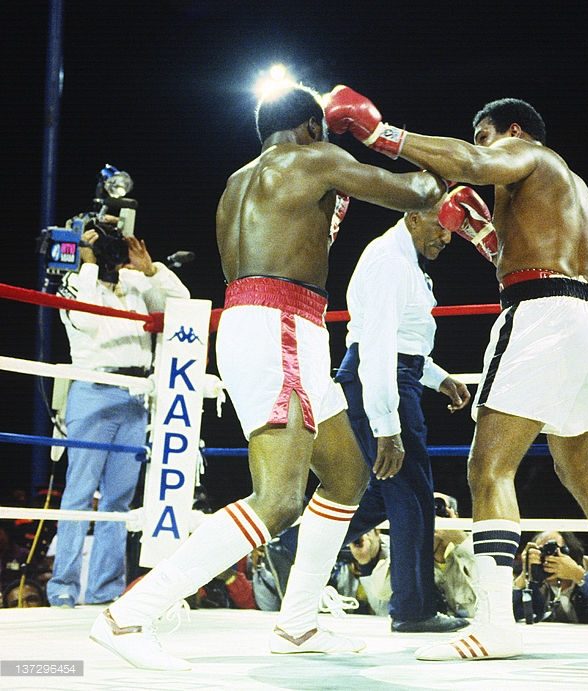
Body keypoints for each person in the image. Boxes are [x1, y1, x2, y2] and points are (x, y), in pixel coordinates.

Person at [89, 83, 446, 671]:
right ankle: (129, 616)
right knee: (277, 500)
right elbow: (420, 191)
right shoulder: (317, 158)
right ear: (312, 128)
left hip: (266, 323)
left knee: (346, 474)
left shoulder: (237, 182)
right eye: (328, 134)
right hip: (282, 328)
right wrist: (381, 136)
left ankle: (299, 623)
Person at [323, 88, 588, 660]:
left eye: (483, 137)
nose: (480, 154)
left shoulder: (528, 155)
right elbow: (529, 254)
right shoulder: (568, 187)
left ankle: (495, 624)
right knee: (579, 468)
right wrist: (487, 235)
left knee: (488, 467)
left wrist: (381, 135)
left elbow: (471, 164)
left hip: (541, 315)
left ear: (511, 132)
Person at [334, 196, 473, 633]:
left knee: (382, 491)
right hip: (382, 380)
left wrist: (437, 377)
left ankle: (297, 544)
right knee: (411, 491)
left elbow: (404, 341)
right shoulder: (389, 261)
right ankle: (413, 611)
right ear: (413, 217)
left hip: (397, 375)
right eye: (440, 226)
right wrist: (386, 427)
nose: (446, 237)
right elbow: (375, 346)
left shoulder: (405, 261)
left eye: (452, 229)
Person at [49, 223, 189, 609]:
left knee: (118, 501)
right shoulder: (73, 284)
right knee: (79, 494)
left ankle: (104, 591)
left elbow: (182, 302)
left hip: (134, 395)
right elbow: (88, 320)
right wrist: (88, 263)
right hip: (93, 389)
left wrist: (150, 270)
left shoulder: (136, 283)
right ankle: (62, 587)